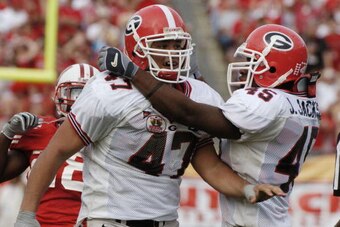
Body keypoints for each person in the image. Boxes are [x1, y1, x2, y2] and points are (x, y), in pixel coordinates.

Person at [15, 5, 284, 227]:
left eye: (178, 43)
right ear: (137, 49)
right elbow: (55, 151)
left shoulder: (201, 94)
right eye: (164, 44)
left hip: (166, 221)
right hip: (110, 220)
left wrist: (246, 188)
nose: (173, 53)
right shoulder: (108, 90)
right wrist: (27, 214)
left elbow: (209, 165)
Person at [97, 24, 321, 227]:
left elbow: (189, 114)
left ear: (273, 68)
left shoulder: (267, 102)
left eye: (254, 62)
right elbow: (219, 115)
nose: (244, 68)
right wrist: (197, 78)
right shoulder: (303, 104)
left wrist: (132, 72)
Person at [0, 63, 99, 226]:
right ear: (59, 95)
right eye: (76, 93)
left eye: (88, 94)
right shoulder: (40, 129)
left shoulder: (110, 135)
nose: (81, 101)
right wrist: (7, 134)